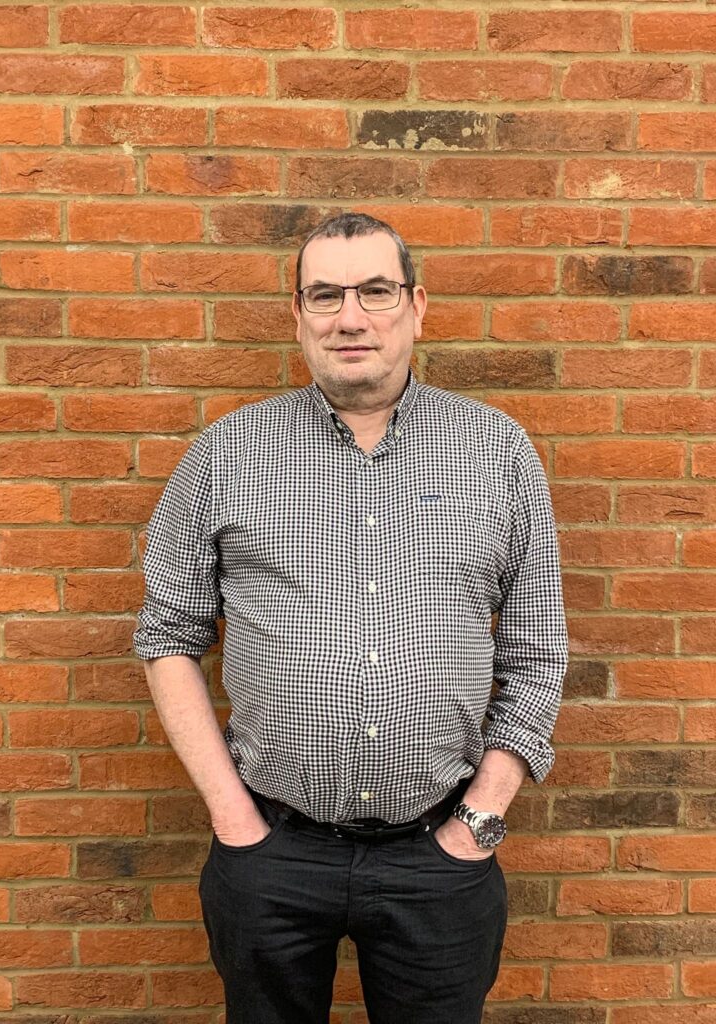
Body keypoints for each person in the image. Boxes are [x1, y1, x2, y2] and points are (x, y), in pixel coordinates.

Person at [133, 212, 569, 1024]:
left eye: (375, 291)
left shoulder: (496, 452)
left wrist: (477, 822)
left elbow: (538, 654)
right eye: (326, 295)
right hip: (271, 852)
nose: (351, 317)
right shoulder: (226, 454)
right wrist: (233, 817)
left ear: (417, 305)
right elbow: (168, 637)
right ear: (298, 314)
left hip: (438, 857)